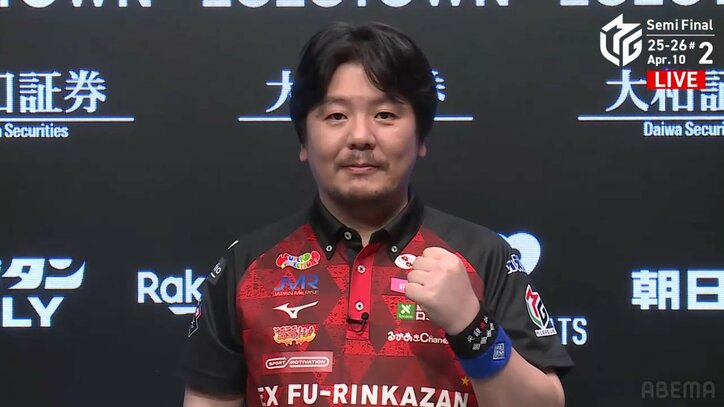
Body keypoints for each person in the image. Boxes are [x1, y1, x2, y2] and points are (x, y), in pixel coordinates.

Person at [180, 21, 573, 407]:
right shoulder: (247, 267)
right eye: (336, 116)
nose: (361, 137)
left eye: (385, 114)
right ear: (303, 139)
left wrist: (472, 326)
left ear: (421, 137)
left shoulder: (484, 258)